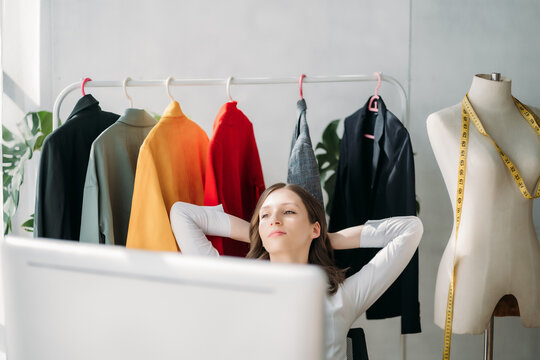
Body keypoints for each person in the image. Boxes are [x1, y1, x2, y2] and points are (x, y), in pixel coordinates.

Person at [170, 182, 423, 360]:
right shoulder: (237, 286)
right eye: (266, 216)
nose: (275, 219)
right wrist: (260, 234)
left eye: (288, 212)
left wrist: (328, 238)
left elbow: (410, 229)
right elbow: (182, 214)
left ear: (314, 229)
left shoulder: (342, 296)